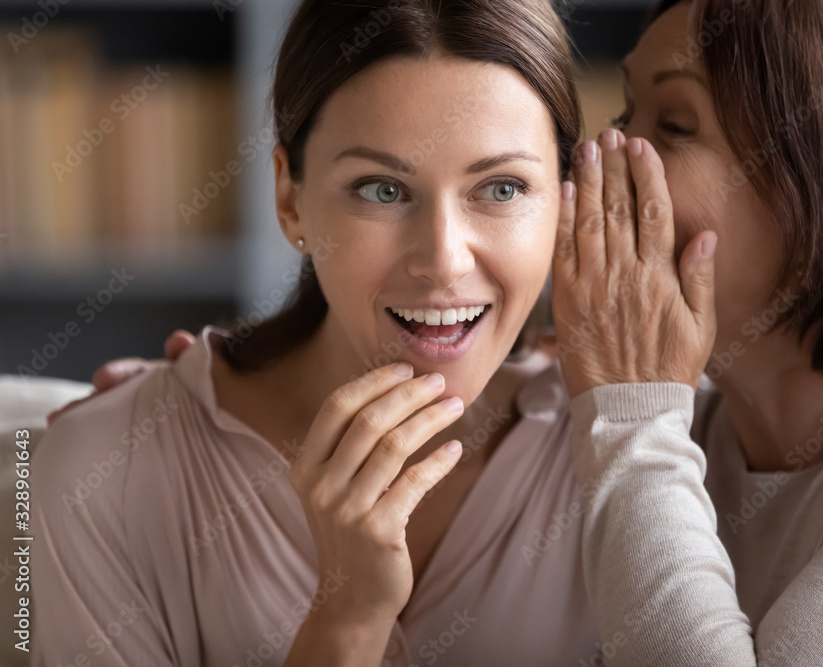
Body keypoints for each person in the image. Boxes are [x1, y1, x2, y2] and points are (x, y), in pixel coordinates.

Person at [30, 1, 610, 665]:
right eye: (382, 190)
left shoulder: (630, 456)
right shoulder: (103, 474)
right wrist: (348, 614)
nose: (444, 259)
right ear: (289, 198)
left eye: (502, 188)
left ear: (566, 203)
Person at [552, 0, 823, 664]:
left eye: (673, 125)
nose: (600, 159)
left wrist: (632, 409)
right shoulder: (692, 428)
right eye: (622, 116)